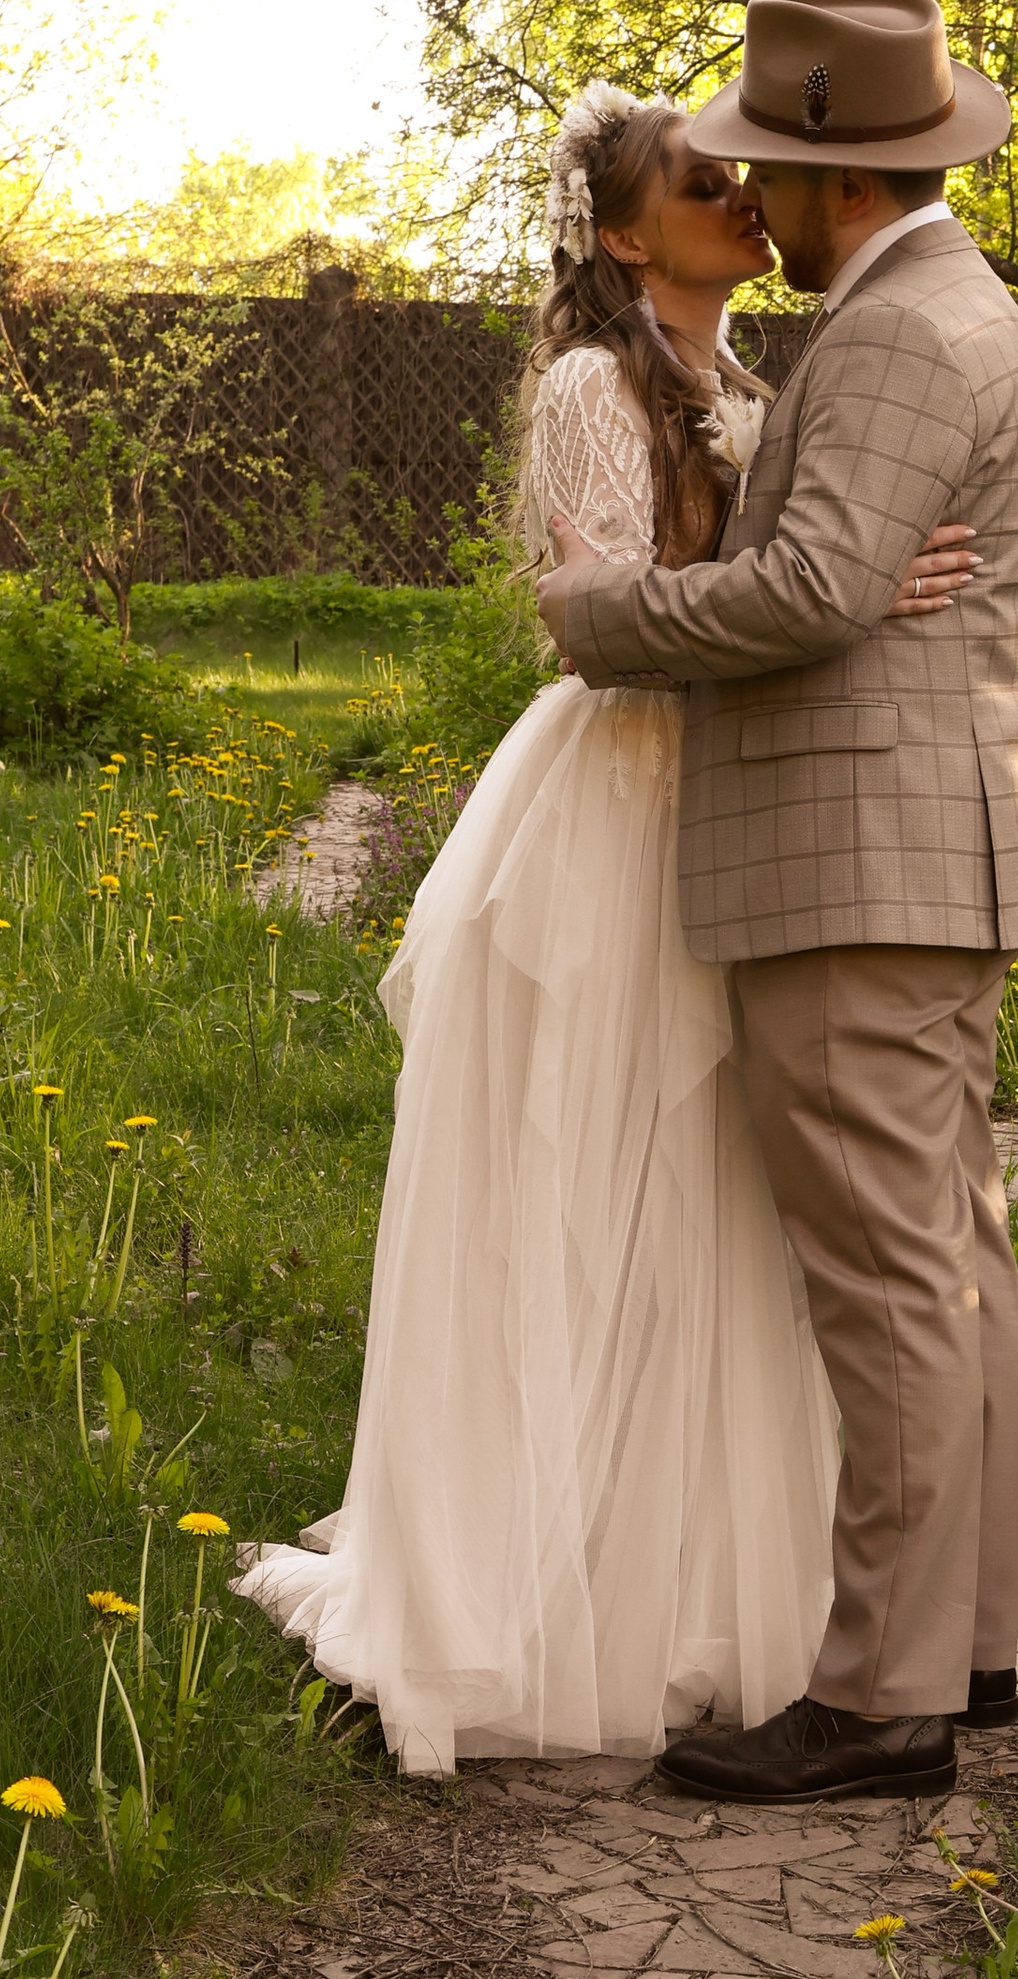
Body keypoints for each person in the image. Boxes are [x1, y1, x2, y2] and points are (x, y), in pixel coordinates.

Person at [236, 87, 975, 1769]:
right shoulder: (590, 389)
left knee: (713, 1196)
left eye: (741, 178)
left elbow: (794, 579)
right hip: (614, 809)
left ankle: (684, 1579)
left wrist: (861, 577)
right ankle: (522, 1579)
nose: (739, 195)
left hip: (725, 804)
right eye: (702, 184)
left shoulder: (754, 387)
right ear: (626, 233)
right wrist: (841, 599)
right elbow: (604, 624)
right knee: (577, 1173)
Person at [536, 0, 1018, 1808]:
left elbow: (821, 589)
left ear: (847, 178)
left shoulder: (905, 333)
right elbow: (845, 571)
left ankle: (882, 1696)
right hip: (922, 852)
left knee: (891, 1281)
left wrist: (602, 624)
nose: (752, 196)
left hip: (860, 866)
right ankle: (963, 1654)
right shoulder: (930, 307)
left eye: (773, 165)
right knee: (952, 1262)